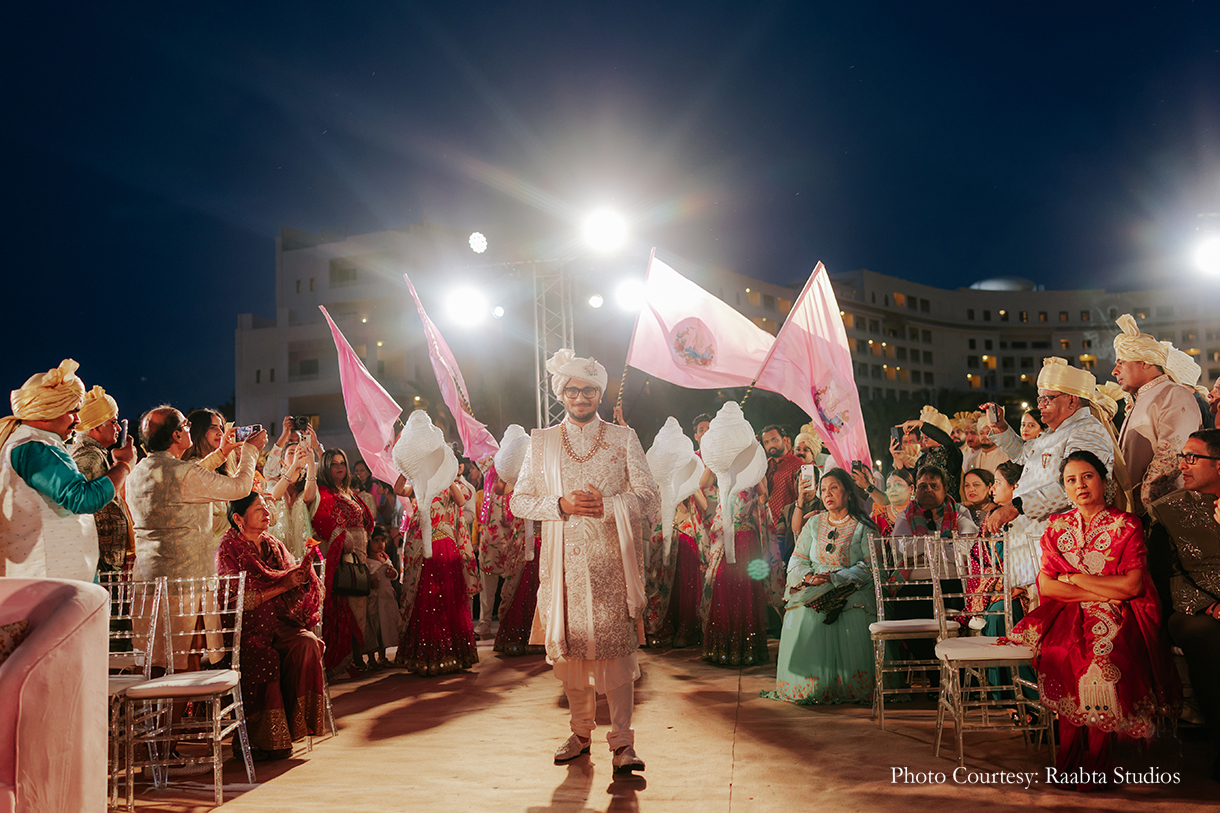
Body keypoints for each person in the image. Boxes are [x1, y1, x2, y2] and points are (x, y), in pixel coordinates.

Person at [510, 349, 659, 773]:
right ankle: (579, 733)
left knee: (617, 655)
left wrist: (608, 506)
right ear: (561, 392)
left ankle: (623, 744)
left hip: (613, 563)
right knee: (572, 657)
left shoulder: (623, 438)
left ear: (600, 393)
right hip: (564, 570)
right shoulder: (541, 443)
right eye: (573, 389)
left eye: (590, 389)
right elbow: (518, 501)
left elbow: (648, 496)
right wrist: (560, 503)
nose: (581, 397)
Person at [1005, 451, 1180, 790]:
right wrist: (1099, 592)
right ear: (1065, 489)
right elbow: (1047, 586)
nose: (1080, 485)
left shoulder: (1127, 525)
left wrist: (1075, 579)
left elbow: (1132, 586)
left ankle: (1098, 763)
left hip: (1123, 612)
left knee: (1104, 653)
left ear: (1104, 481)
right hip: (1067, 612)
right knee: (1063, 651)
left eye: (1087, 476)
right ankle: (1072, 758)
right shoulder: (1056, 528)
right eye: (1071, 480)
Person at [984, 359, 1123, 605]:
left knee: (1061, 621)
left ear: (1072, 400)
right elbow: (1022, 454)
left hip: (1066, 544)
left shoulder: (1086, 432)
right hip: (1039, 542)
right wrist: (1001, 426)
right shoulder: (1054, 433)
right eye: (1039, 399)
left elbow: (1075, 488)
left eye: (1048, 399)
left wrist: (1017, 506)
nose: (1041, 406)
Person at [216, 492, 326, 761]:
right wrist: (281, 586)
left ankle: (291, 727)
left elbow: (289, 581)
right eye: (258, 509)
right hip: (245, 629)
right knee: (265, 656)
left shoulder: (274, 544)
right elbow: (234, 600)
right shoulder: (228, 549)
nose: (267, 513)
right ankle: (259, 738)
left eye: (266, 508)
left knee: (307, 644)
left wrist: (301, 577)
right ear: (238, 518)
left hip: (278, 622)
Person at [0, 360, 134, 580]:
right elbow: (83, 498)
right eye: (73, 411)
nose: (78, 420)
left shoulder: (33, 443)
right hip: (47, 579)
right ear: (47, 410)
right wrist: (124, 465)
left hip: (51, 577)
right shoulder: (35, 448)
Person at [1111, 314, 1203, 618]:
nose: (1115, 371)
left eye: (1121, 363)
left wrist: (1144, 509)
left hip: (1164, 517)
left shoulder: (1173, 393)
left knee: (1166, 597)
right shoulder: (1141, 400)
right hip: (1141, 517)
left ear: (1147, 364)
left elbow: (1173, 454)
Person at [761, 469, 877, 705]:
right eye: (823, 489)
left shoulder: (864, 526)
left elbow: (870, 566)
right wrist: (808, 577)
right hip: (814, 581)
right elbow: (798, 557)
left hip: (849, 585)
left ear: (848, 492)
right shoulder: (814, 522)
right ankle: (811, 685)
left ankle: (848, 685)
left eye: (833, 487)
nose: (827, 494)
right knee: (803, 607)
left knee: (851, 608)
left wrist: (836, 578)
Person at [1149, 429, 1220, 781]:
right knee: (1205, 634)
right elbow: (1168, 575)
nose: (1183, 465)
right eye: (1182, 456)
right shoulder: (1168, 512)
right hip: (1194, 610)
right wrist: (1209, 605)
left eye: (1193, 458)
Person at [395, 474, 480, 675]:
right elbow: (400, 490)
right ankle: (424, 654)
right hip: (419, 541)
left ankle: (453, 653)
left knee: (446, 596)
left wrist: (447, 474)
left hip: (443, 541)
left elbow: (461, 501)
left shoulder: (450, 482)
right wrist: (405, 469)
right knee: (423, 595)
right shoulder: (418, 481)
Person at [310, 447, 375, 680]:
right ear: (326, 468)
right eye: (334, 463)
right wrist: (343, 540)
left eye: (342, 463)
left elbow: (366, 521)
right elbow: (321, 520)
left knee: (360, 604)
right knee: (349, 602)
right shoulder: (324, 493)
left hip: (361, 552)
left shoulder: (348, 492)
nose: (339, 467)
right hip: (344, 556)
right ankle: (350, 660)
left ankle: (359, 657)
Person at [69, 385, 135, 575]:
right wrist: (125, 464)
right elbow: (84, 503)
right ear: (96, 425)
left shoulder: (95, 453)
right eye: (113, 422)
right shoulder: (89, 457)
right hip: (98, 563)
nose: (118, 428)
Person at [266, 430, 321, 559]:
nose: (297, 454)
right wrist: (295, 464)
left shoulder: (307, 483)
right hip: (277, 549)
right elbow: (275, 495)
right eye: (291, 453)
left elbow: (309, 497)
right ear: (283, 461)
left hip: (301, 549)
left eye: (300, 451)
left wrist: (311, 463)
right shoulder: (273, 482)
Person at [894, 406, 963, 500]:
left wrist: (920, 423)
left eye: (929, 433)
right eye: (923, 432)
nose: (925, 436)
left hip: (948, 511)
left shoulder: (951, 453)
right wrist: (898, 459)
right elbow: (910, 482)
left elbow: (948, 442)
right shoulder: (923, 458)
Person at [892, 465, 979, 537]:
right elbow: (901, 547)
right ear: (916, 490)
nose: (928, 490)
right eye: (923, 486)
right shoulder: (906, 515)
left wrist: (922, 554)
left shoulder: (959, 512)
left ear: (945, 489)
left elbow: (966, 544)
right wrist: (948, 544)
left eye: (934, 486)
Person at [761, 424, 802, 562]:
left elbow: (801, 498)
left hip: (786, 529)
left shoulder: (797, 464)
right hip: (766, 526)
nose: (770, 445)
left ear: (784, 440)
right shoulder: (766, 465)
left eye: (774, 440)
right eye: (766, 442)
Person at [365, 526, 401, 668]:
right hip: (375, 600)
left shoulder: (385, 557)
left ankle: (383, 656)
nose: (380, 544)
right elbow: (365, 579)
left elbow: (394, 574)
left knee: (385, 627)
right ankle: (372, 659)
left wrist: (393, 574)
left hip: (387, 598)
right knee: (375, 628)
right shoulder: (366, 560)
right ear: (368, 542)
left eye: (383, 540)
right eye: (376, 541)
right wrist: (371, 583)